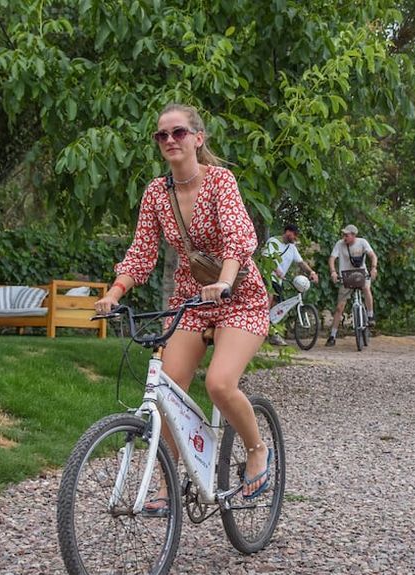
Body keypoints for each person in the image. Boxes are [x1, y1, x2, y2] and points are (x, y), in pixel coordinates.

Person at [94, 103, 272, 509]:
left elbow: (237, 242)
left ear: (198, 138)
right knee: (164, 394)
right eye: (162, 135)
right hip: (190, 302)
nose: (170, 140)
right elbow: (141, 254)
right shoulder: (157, 193)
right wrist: (114, 294)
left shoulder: (220, 182)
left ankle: (257, 450)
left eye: (178, 133)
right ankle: (170, 482)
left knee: (220, 384)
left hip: (238, 298)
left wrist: (225, 283)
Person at [262, 223, 319, 345]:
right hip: (268, 276)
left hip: (279, 280)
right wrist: (276, 270)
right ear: (288, 232)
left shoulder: (292, 248)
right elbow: (267, 257)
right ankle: (262, 329)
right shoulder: (273, 241)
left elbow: (301, 263)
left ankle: (269, 331)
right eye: (295, 235)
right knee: (269, 298)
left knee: (276, 306)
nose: (295, 238)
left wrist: (311, 272)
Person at [326, 224, 378, 347]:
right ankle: (333, 335)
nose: (344, 237)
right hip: (346, 277)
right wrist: (333, 272)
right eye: (344, 235)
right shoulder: (339, 244)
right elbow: (332, 258)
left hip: (361, 275)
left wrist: (374, 268)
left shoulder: (362, 243)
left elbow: (372, 256)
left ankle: (370, 316)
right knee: (340, 307)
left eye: (347, 235)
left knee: (366, 288)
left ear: (354, 235)